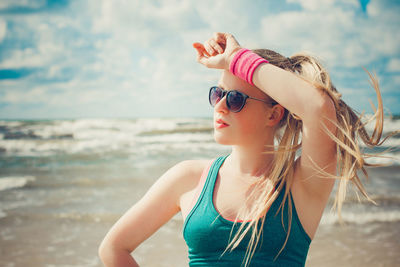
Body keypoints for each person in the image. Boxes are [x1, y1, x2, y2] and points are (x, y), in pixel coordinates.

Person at [98, 32, 390, 266]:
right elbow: (113, 248)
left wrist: (238, 58)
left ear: (273, 114)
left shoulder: (302, 184)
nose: (220, 106)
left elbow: (317, 107)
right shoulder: (188, 178)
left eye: (235, 98)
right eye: (217, 94)